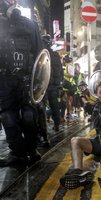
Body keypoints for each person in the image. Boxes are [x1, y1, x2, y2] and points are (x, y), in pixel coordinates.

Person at [0, 0, 43, 166]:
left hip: (26, 80)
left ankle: (31, 151)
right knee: (7, 117)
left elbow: (40, 56)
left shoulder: (29, 25)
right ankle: (17, 153)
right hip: (4, 80)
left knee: (29, 116)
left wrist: (38, 84)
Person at [42, 34, 63, 131]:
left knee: (41, 106)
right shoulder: (55, 55)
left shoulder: (42, 53)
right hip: (54, 85)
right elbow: (61, 71)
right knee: (54, 105)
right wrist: (59, 84)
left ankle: (43, 128)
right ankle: (57, 124)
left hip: (43, 85)